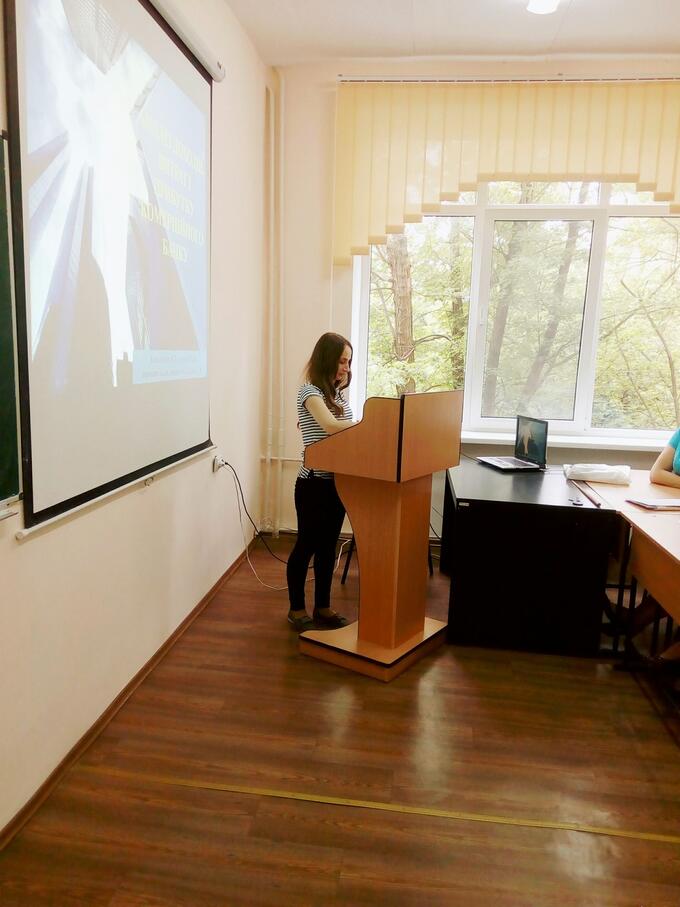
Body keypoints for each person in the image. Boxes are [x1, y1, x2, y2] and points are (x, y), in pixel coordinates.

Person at [286, 333, 355, 632]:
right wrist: (370, 426)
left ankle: (323, 607)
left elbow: (346, 434)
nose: (346, 368)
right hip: (313, 485)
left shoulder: (337, 396)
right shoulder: (309, 392)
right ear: (327, 360)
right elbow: (330, 427)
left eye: (349, 362)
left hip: (337, 483)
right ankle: (296, 609)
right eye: (342, 361)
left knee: (328, 547)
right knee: (306, 546)